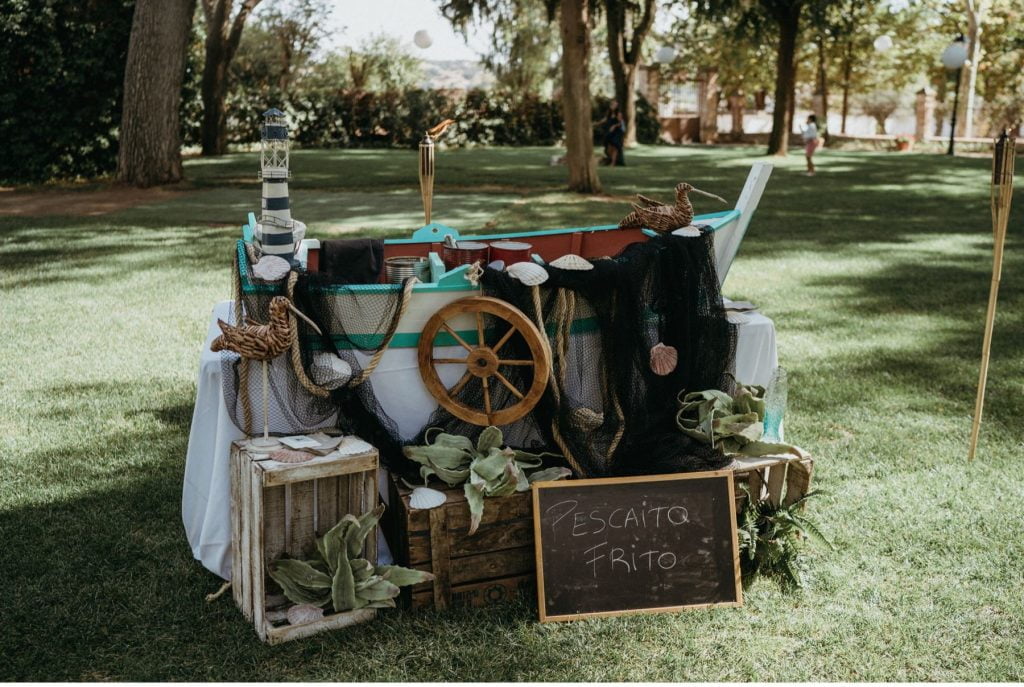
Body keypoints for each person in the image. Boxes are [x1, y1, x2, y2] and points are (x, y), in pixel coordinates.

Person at [601, 100, 626, 167]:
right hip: (610, 132)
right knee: (608, 149)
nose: (613, 106)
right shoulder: (608, 113)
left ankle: (613, 163)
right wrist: (595, 123)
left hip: (617, 132)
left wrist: (614, 126)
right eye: (612, 104)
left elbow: (620, 123)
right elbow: (605, 120)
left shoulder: (619, 114)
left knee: (615, 147)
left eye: (615, 105)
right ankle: (609, 160)